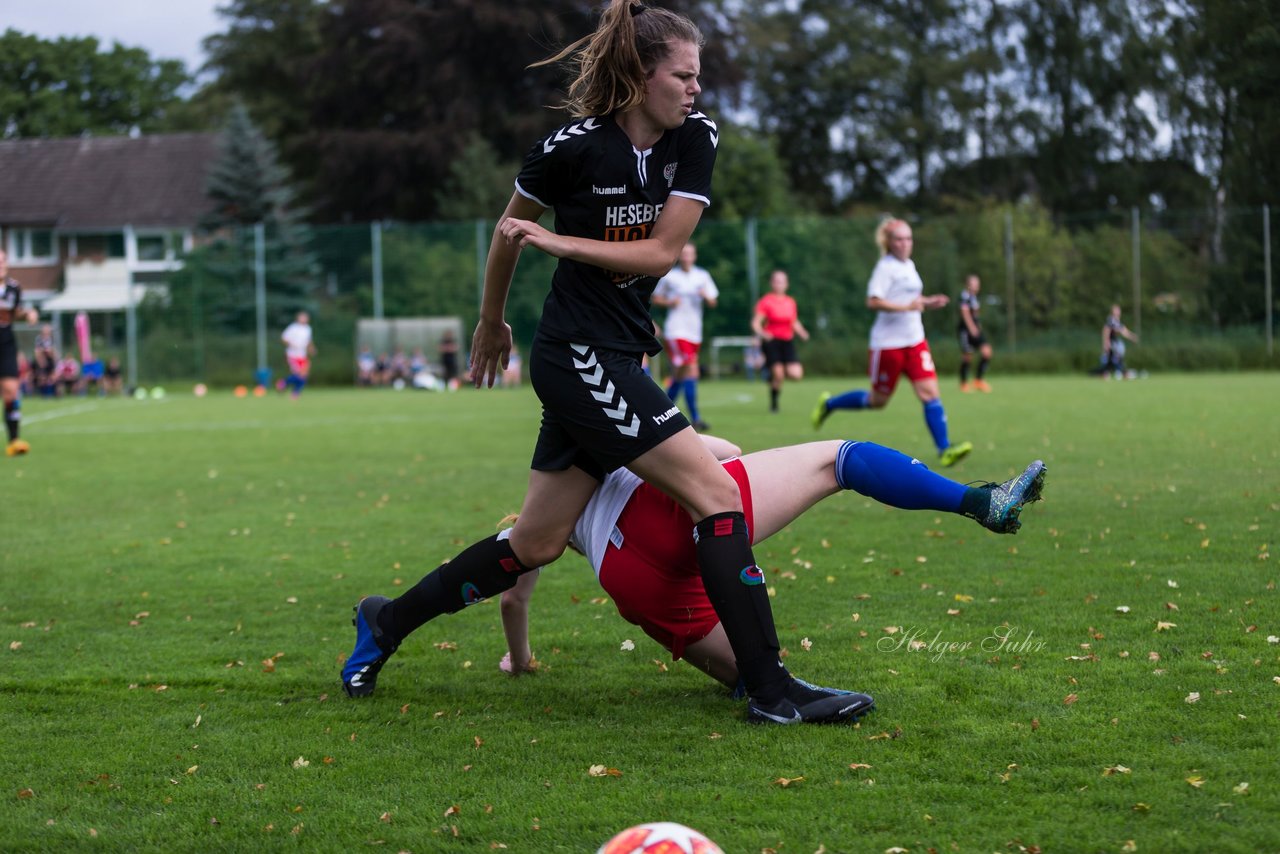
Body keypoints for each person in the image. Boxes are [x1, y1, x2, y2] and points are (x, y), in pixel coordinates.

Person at [343, 0, 862, 726]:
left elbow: (656, 252)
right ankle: (774, 692)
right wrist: (491, 321)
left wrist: (562, 245)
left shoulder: (694, 140)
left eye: (697, 76)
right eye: (682, 75)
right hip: (577, 354)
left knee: (537, 541)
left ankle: (384, 620)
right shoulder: (570, 149)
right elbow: (507, 232)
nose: (695, 89)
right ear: (640, 75)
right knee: (714, 495)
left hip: (615, 350)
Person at [499, 435, 1046, 699]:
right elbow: (723, 450)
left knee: (746, 676)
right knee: (839, 459)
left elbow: (512, 597)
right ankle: (981, 502)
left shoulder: (533, 522)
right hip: (666, 519)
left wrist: (519, 661)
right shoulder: (620, 425)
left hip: (632, 585)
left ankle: (766, 692)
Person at [811, 219, 973, 468]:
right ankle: (829, 404)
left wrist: (927, 302)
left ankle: (945, 449)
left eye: (908, 238)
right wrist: (907, 307)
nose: (905, 243)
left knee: (930, 393)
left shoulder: (909, 265)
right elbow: (873, 301)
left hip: (915, 341)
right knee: (878, 401)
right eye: (899, 239)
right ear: (889, 242)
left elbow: (909, 297)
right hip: (888, 345)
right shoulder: (884, 268)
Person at [651, 242, 718, 430]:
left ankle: (661, 409)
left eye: (691, 253)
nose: (687, 257)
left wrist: (706, 296)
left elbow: (713, 301)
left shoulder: (702, 276)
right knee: (690, 368)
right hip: (676, 331)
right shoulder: (671, 276)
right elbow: (656, 298)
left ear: (694, 256)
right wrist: (670, 302)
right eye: (684, 253)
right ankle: (695, 418)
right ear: (680, 256)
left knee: (682, 373)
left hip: (694, 332)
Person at [751, 269, 810, 413]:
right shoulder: (766, 301)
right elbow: (755, 323)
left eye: (782, 282)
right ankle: (774, 404)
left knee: (796, 375)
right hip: (771, 341)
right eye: (776, 281)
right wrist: (762, 333)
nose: (779, 284)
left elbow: (793, 321)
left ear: (787, 284)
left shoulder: (790, 302)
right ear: (772, 283)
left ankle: (770, 373)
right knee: (779, 375)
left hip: (787, 341)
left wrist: (802, 332)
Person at [1, 249, 38, 456]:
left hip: (5, 341)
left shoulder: (14, 288)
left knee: (11, 390)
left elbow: (15, 313)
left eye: (3, 260)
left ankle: (14, 441)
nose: (0, 264)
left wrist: (29, 314)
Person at [957, 274, 993, 392]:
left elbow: (976, 314)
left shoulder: (974, 298)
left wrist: (979, 326)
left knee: (987, 352)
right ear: (968, 284)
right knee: (967, 357)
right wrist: (972, 328)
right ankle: (963, 383)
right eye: (974, 283)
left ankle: (978, 380)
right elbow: (965, 313)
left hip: (976, 330)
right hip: (966, 331)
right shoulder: (964, 296)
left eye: (977, 284)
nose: (976, 286)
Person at [1092, 303, 1138, 379]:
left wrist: (1132, 336)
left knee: (1111, 360)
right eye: (1116, 310)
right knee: (1116, 359)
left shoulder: (1117, 321)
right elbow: (1106, 330)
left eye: (1118, 310)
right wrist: (1106, 342)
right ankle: (1123, 373)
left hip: (1114, 343)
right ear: (1112, 311)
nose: (1118, 311)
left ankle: (1104, 374)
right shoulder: (1111, 320)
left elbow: (1123, 330)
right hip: (1111, 343)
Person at [280, 311, 316, 398]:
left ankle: (294, 391)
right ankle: (284, 383)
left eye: (305, 317)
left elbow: (309, 341)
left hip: (302, 355)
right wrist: (292, 344)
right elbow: (284, 338)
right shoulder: (293, 328)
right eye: (302, 317)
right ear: (298, 318)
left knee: (304, 375)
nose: (304, 319)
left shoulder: (308, 328)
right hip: (292, 354)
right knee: (299, 374)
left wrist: (311, 348)